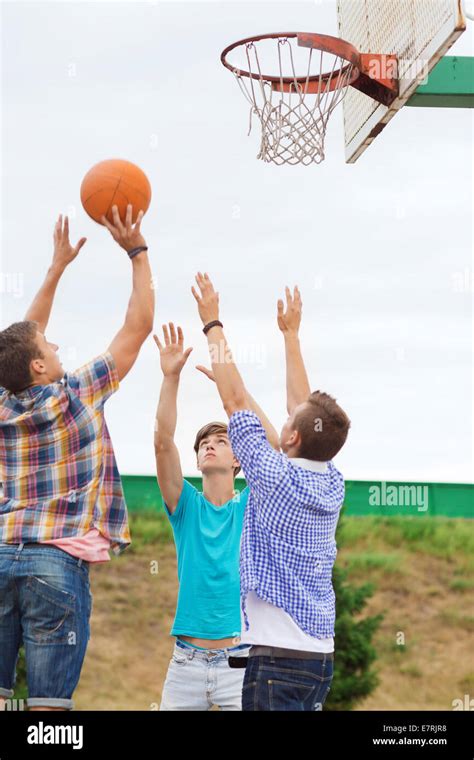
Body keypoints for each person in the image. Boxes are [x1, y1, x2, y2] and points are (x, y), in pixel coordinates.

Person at [0, 205, 154, 711]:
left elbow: (20, 344)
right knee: (48, 709)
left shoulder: (2, 405)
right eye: (50, 344)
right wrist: (136, 251)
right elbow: (137, 328)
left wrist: (56, 268)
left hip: (1, 554)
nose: (56, 341)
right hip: (55, 563)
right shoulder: (77, 393)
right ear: (41, 365)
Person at [191, 271, 350, 711]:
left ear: (294, 438)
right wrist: (291, 336)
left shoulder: (275, 477)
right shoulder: (331, 480)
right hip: (320, 658)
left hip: (276, 663)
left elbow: (236, 403)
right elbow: (301, 410)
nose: (280, 423)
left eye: (286, 425)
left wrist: (212, 324)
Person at [153, 319, 279, 710]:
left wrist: (235, 396)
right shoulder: (185, 505)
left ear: (238, 460)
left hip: (239, 663)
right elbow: (162, 441)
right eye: (204, 443)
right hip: (185, 663)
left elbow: (275, 449)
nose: (209, 446)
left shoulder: (251, 505)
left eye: (221, 441)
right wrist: (170, 377)